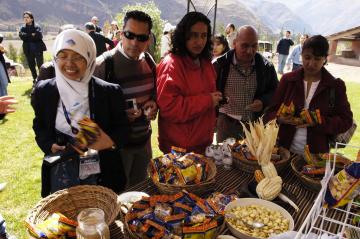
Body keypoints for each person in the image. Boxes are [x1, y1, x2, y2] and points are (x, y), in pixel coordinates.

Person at [31, 29, 129, 197]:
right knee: (66, 218)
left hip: (102, 173)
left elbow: (123, 130)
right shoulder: (44, 91)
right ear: (55, 57)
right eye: (63, 55)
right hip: (60, 172)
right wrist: (48, 145)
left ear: (89, 59)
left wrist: (110, 142)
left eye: (77, 57)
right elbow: (39, 125)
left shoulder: (109, 92)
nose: (69, 63)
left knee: (102, 218)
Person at [93, 10, 157, 188]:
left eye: (142, 37)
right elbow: (87, 113)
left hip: (143, 144)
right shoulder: (103, 65)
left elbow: (154, 94)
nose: (135, 42)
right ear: (121, 34)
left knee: (140, 193)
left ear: (149, 39)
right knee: (115, 197)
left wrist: (153, 104)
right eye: (129, 35)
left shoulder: (150, 62)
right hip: (114, 151)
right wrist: (119, 117)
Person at [265, 35, 353, 155]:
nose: (311, 63)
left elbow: (346, 121)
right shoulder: (287, 80)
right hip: (283, 152)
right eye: (307, 57)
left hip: (317, 157)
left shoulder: (335, 86)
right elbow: (269, 113)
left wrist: (318, 121)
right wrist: (279, 118)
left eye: (317, 59)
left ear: (325, 59)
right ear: (301, 55)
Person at [157, 12, 222, 154]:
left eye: (203, 36)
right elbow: (169, 108)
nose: (199, 41)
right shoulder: (171, 65)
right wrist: (208, 100)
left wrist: (215, 100)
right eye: (193, 35)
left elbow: (207, 94)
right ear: (183, 35)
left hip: (203, 144)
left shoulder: (206, 63)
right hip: (179, 150)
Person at [213, 25, 278, 142]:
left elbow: (276, 91)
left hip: (253, 127)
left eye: (254, 46)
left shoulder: (266, 67)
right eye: (245, 46)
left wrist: (263, 101)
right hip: (226, 124)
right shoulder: (220, 65)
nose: (250, 51)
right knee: (224, 159)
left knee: (250, 159)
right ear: (234, 43)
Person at [19, 11, 46, 81]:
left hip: (38, 50)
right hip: (28, 50)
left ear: (32, 19)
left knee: (40, 66)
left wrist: (27, 36)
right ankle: (35, 79)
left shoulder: (37, 26)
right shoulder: (22, 28)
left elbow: (39, 36)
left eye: (27, 17)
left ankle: (41, 80)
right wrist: (32, 35)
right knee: (31, 66)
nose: (25, 19)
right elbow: (22, 36)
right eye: (24, 17)